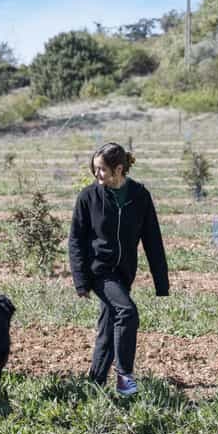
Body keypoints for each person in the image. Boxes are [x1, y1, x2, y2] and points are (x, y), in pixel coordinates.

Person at [68, 142, 169, 396]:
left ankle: (95, 383)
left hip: (125, 273)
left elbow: (152, 239)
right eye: (95, 169)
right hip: (99, 272)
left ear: (119, 169)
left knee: (109, 323)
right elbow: (76, 240)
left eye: (102, 169)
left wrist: (161, 283)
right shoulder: (88, 197)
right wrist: (81, 280)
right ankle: (125, 382)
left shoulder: (139, 195)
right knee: (127, 313)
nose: (97, 175)